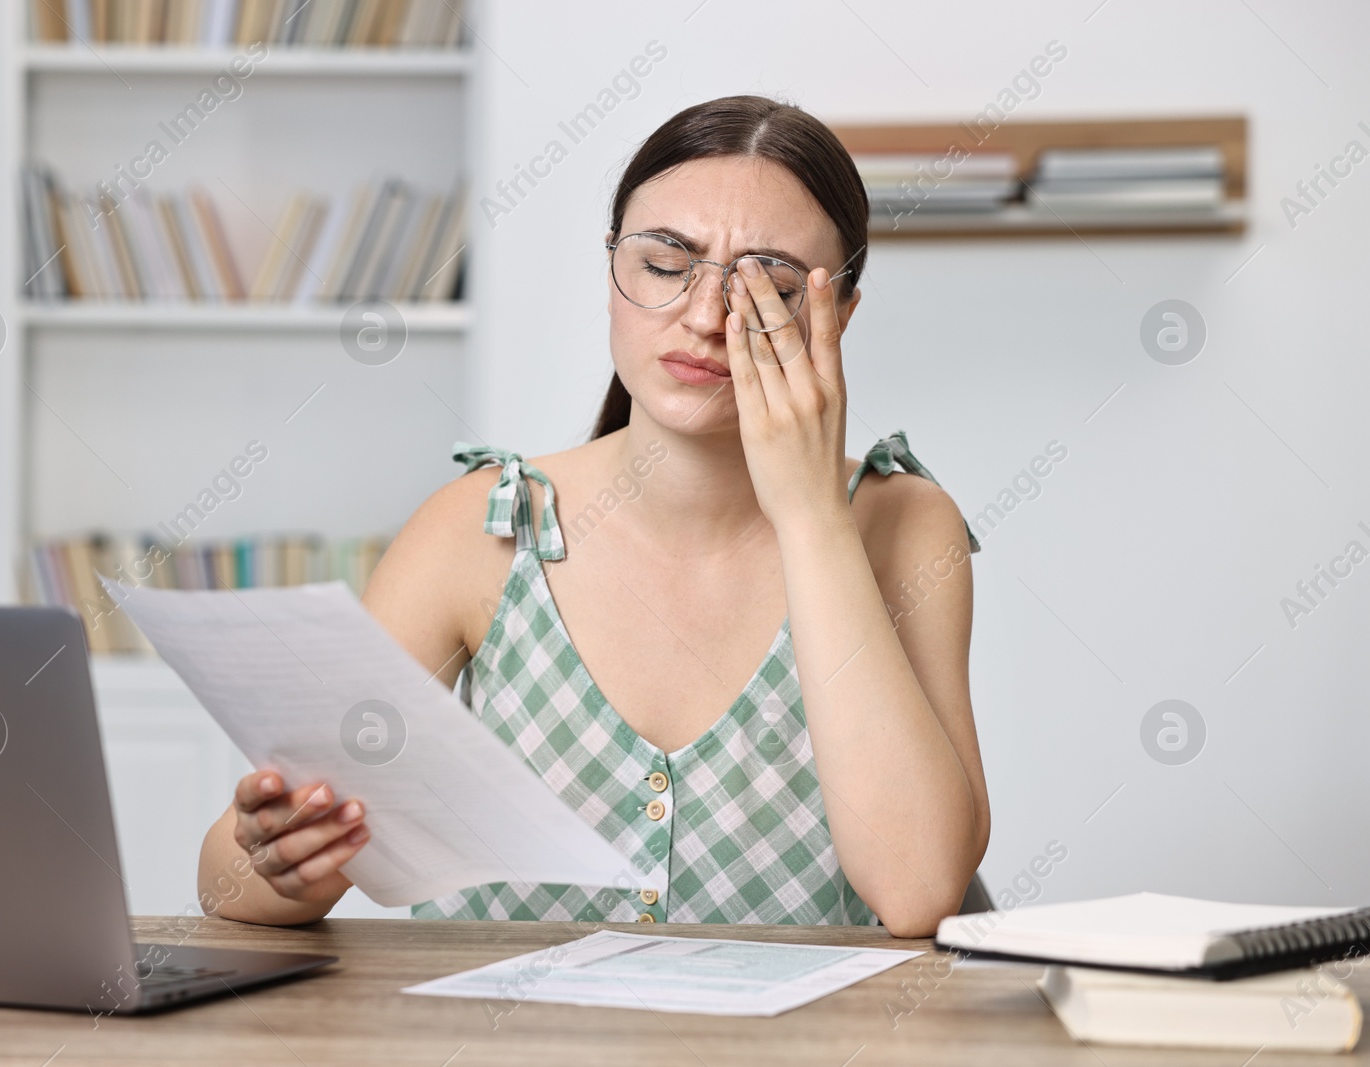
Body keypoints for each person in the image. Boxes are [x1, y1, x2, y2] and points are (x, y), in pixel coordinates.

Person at [197, 95, 990, 937]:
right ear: (613, 267)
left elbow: (918, 888)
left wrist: (809, 517)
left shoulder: (905, 525)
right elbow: (227, 882)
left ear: (838, 316)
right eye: (663, 263)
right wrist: (282, 858)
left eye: (769, 286)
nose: (706, 317)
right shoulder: (484, 526)